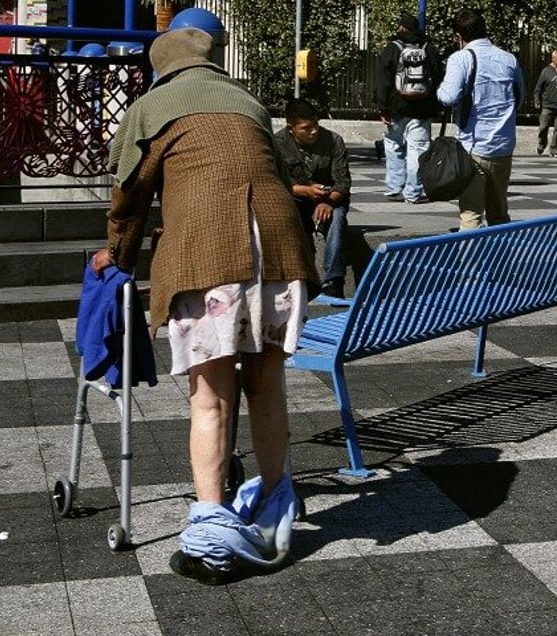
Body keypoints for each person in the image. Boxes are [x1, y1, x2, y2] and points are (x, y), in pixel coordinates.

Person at [89, 27, 320, 584]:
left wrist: (116, 255)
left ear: (160, 68)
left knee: (211, 398)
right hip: (282, 254)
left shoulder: (153, 108)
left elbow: (129, 195)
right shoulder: (248, 104)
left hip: (209, 256)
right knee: (266, 385)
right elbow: (275, 176)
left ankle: (213, 538)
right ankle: (273, 498)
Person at [436, 9, 524, 230]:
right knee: (499, 212)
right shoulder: (508, 58)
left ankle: (470, 265)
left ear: (459, 36)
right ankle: (501, 262)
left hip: (473, 146)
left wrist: (439, 89)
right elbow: (519, 97)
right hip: (503, 145)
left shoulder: (461, 58)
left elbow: (448, 96)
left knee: (471, 214)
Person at [275, 97, 351, 299]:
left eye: (316, 125)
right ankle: (299, 277)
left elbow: (343, 182)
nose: (314, 131)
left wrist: (327, 200)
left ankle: (334, 280)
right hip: (297, 199)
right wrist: (303, 191)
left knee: (337, 219)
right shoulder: (278, 144)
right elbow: (274, 182)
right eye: (306, 128)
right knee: (286, 215)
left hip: (330, 199)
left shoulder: (333, 141)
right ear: (291, 128)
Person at [375, 12, 442, 204]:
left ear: (401, 27)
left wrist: (383, 108)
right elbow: (438, 76)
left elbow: (384, 81)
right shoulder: (428, 47)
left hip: (396, 108)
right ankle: (413, 193)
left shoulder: (393, 48)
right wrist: (434, 105)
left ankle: (395, 188)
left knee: (393, 145)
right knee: (418, 150)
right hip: (421, 109)